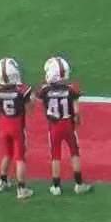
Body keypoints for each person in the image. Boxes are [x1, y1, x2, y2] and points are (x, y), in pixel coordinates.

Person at [38, 56, 90, 195]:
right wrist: (77, 120)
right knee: (74, 152)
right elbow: (77, 111)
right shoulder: (71, 89)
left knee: (55, 155)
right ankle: (79, 184)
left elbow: (41, 99)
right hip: (68, 124)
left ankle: (56, 186)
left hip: (54, 125)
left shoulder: (45, 90)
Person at [0, 58, 35, 199]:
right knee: (20, 158)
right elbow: (29, 110)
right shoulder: (23, 90)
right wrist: (31, 101)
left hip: (4, 126)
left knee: (7, 154)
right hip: (17, 127)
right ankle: (21, 189)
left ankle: (2, 181)